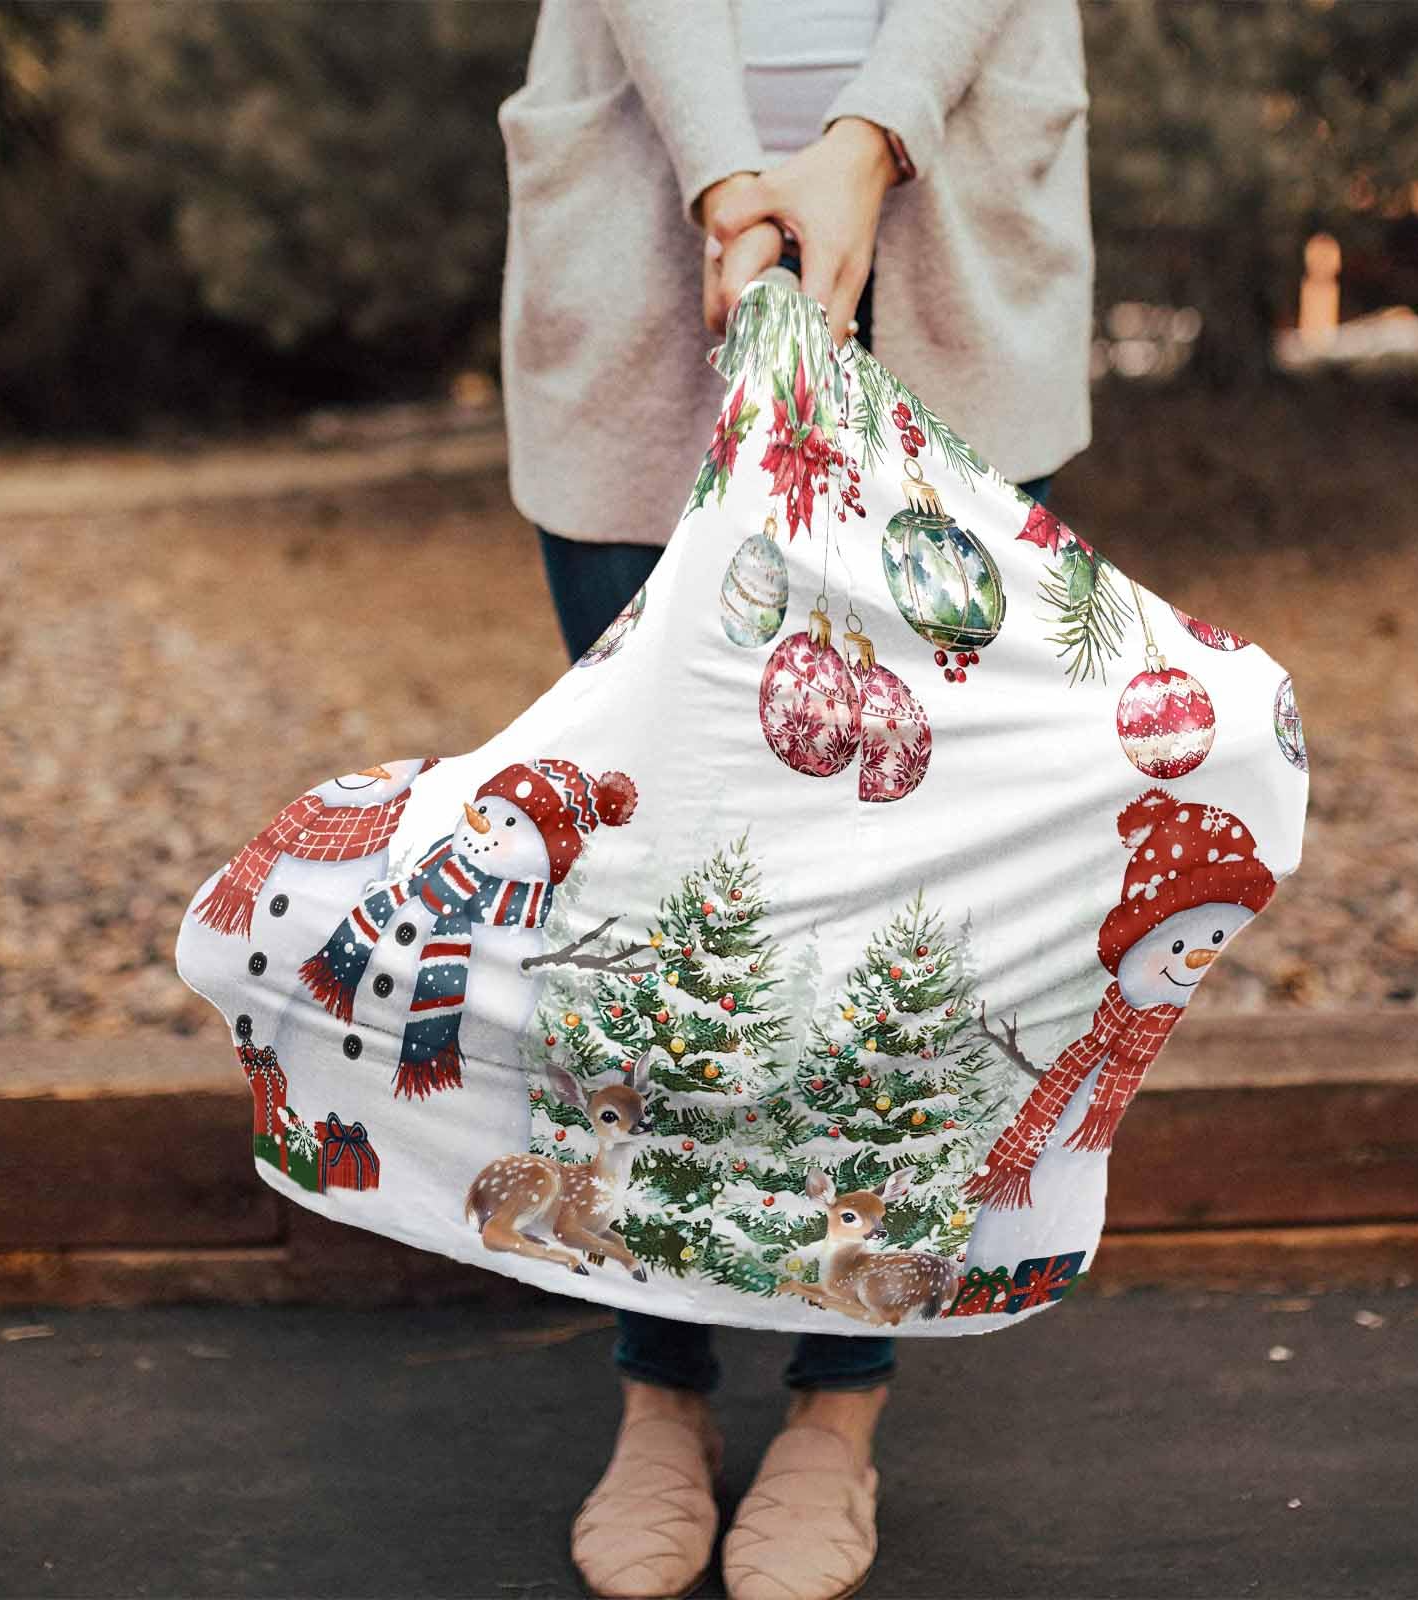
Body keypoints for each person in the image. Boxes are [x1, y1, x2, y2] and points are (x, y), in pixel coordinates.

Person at [496, 4, 1093, 1595]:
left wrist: (867, 137)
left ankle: (839, 1403)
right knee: (648, 869)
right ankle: (660, 1386)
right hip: (647, 216)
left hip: (948, 216)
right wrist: (724, 178)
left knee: (897, 882)